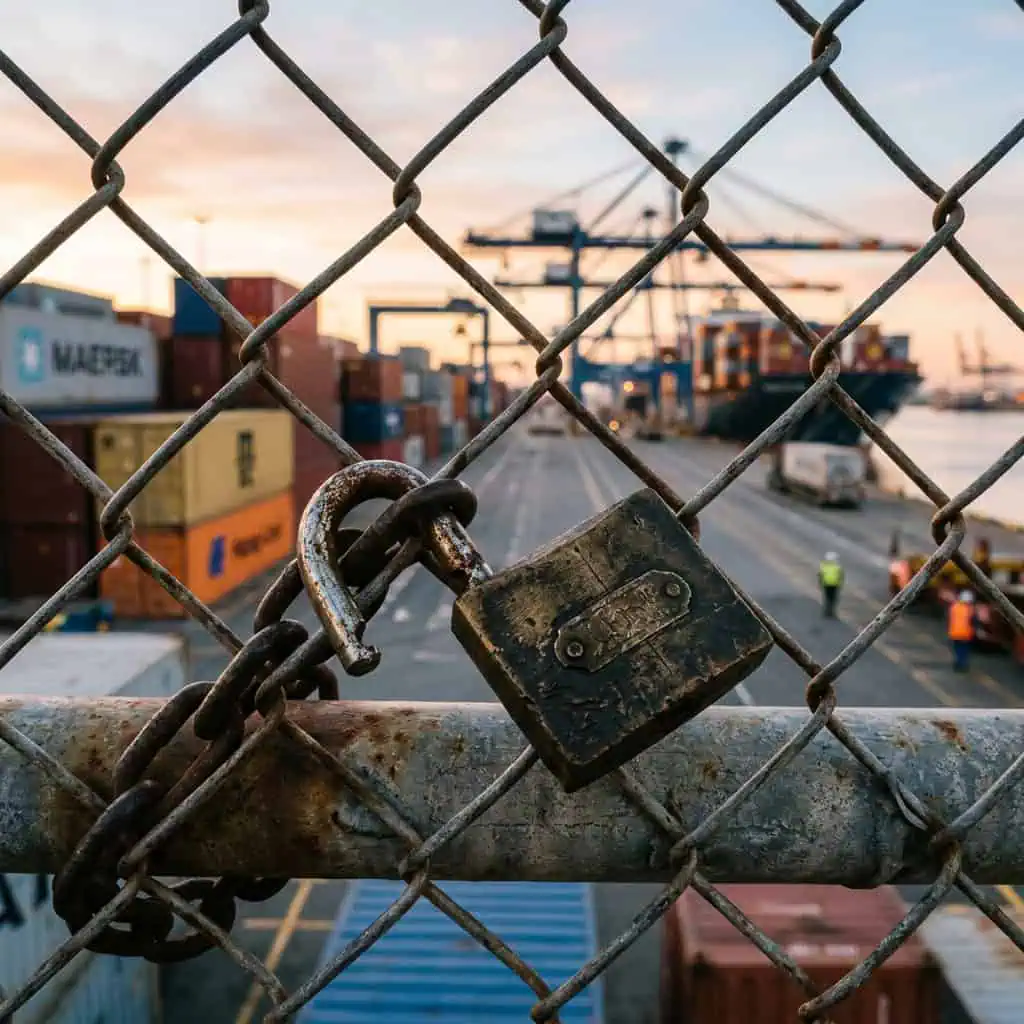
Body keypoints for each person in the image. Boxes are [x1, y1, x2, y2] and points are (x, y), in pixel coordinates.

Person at [948, 590, 977, 673]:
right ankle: (962, 665)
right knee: (964, 651)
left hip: (954, 633)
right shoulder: (970, 609)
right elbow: (974, 622)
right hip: (965, 635)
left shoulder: (954, 607)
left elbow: (950, 619)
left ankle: (958, 663)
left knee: (957, 650)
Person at [818, 551, 843, 619]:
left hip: (826, 584)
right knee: (833, 599)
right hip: (834, 585)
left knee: (828, 598)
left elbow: (820, 575)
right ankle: (831, 611)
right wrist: (840, 583)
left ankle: (827, 611)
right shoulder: (837, 566)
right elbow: (841, 575)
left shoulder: (823, 566)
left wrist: (820, 583)